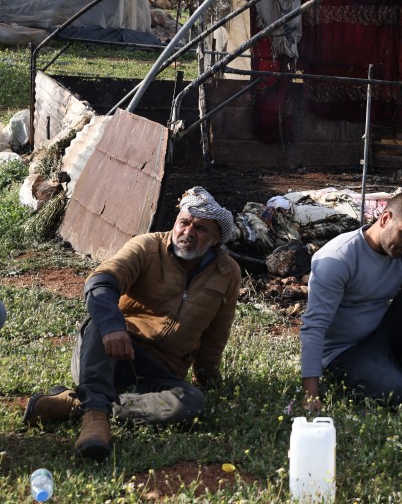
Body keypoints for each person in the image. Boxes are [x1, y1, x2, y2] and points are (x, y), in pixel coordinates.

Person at [23, 187, 241, 461]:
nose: (188, 232)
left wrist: (208, 378)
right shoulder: (147, 247)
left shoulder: (227, 272)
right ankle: (94, 422)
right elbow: (100, 282)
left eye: (200, 228)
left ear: (216, 237)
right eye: (183, 223)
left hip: (159, 372)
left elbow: (216, 334)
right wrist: (114, 327)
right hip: (110, 352)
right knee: (96, 323)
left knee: (191, 402)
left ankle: (80, 405)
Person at [300, 191, 402, 407]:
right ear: (385, 218)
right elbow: (313, 327)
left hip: (380, 337)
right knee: (398, 397)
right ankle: (383, 377)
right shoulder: (337, 258)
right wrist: (310, 396)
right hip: (343, 351)